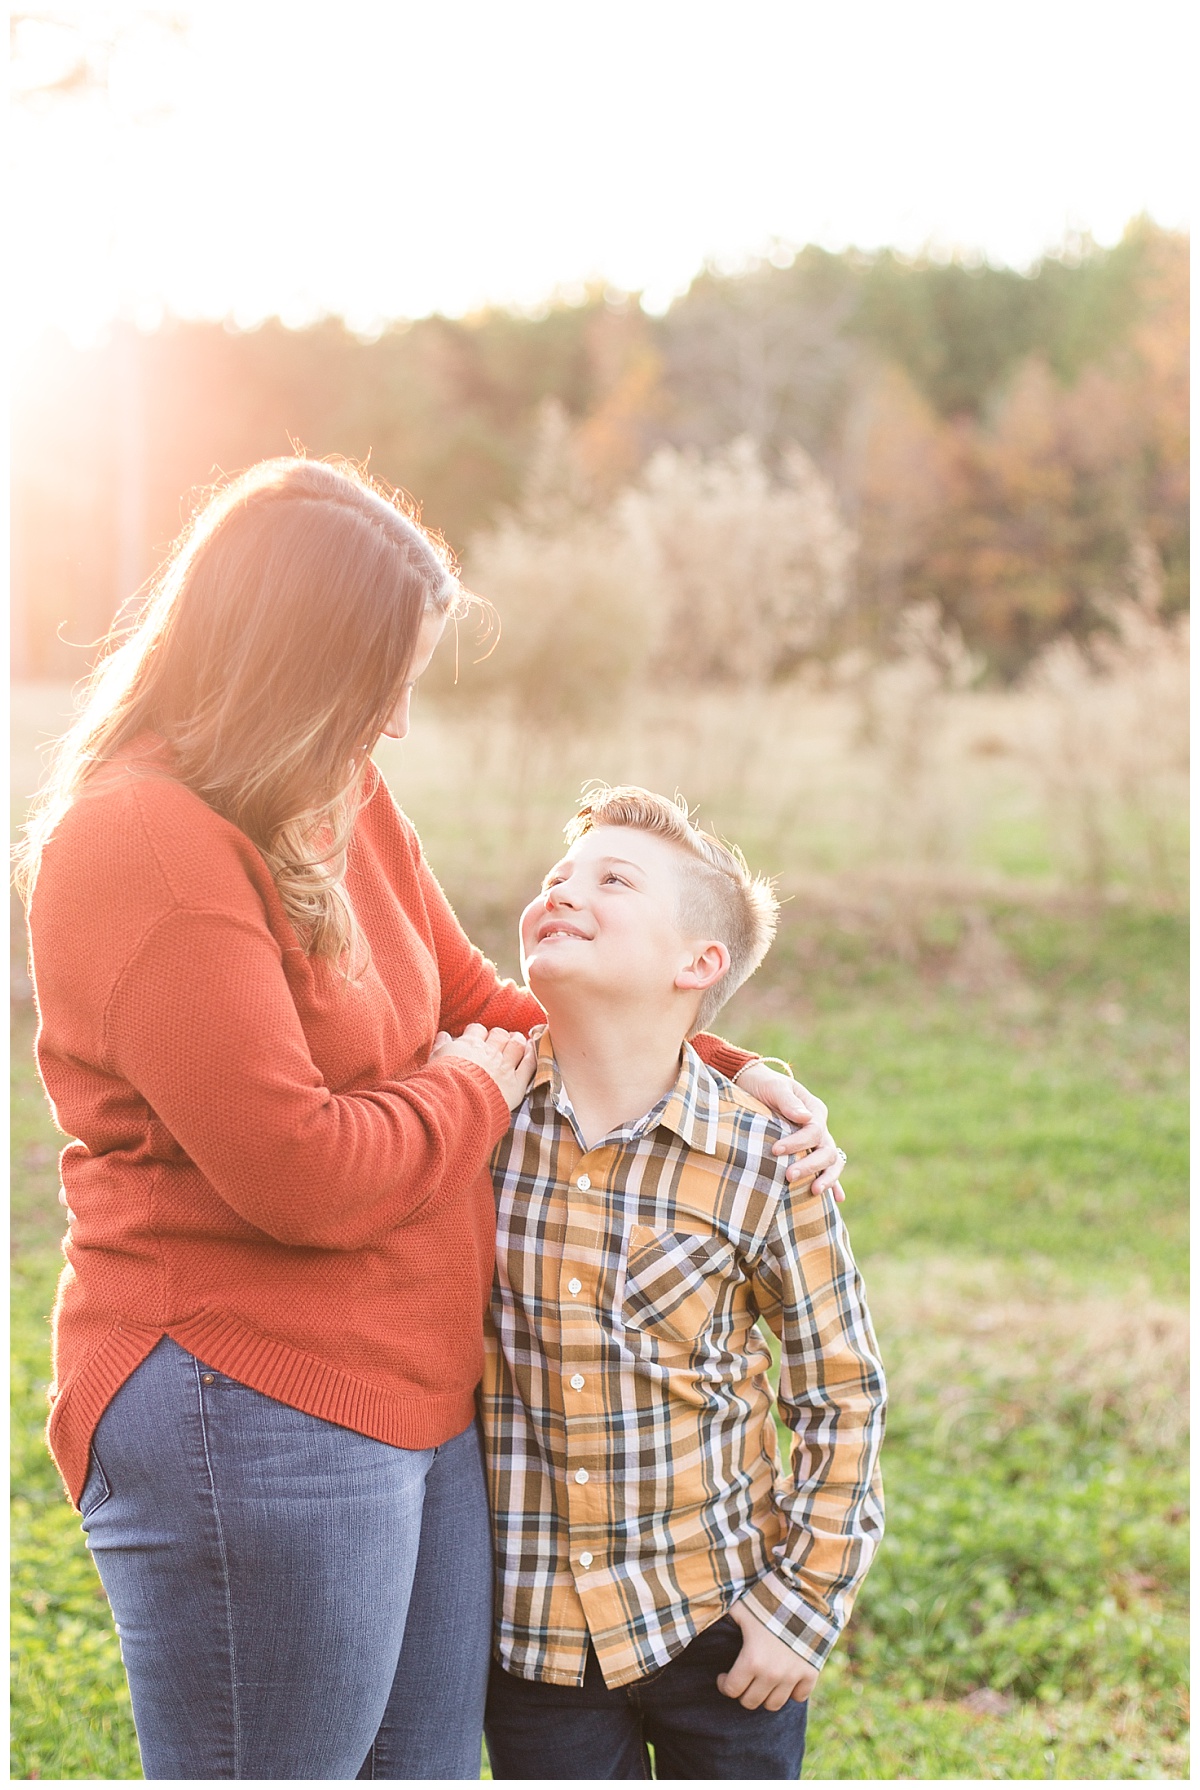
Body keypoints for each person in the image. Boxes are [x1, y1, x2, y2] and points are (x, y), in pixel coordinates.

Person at [17, 457, 847, 1781]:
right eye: (380, 675)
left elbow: (479, 1003)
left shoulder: (329, 787)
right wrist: (466, 1082)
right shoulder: (144, 843)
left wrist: (710, 1064)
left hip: (419, 1388)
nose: (397, 719)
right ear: (295, 660)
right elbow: (301, 1171)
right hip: (253, 1395)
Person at [481, 785, 886, 1781]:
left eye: (613, 879)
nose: (566, 889)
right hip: (535, 1640)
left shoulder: (763, 1161)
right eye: (557, 877)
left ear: (697, 963)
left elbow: (841, 1390)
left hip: (715, 1615)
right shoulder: (475, 1116)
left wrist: (801, 1608)